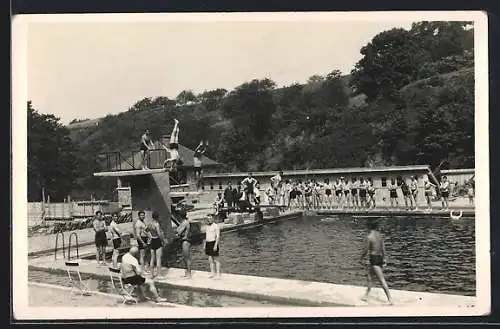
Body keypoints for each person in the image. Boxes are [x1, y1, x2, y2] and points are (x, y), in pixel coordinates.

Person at [360, 218, 393, 305]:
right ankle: (366, 295)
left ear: (369, 227)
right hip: (380, 258)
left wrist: (361, 258)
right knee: (370, 277)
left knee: (381, 280)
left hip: (374, 259)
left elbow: (365, 250)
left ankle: (390, 299)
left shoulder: (369, 237)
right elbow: (383, 248)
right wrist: (385, 259)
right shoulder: (380, 235)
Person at [147, 211, 166, 278]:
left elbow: (145, 230)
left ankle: (151, 274)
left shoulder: (150, 224)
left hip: (152, 240)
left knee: (152, 258)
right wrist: (163, 240)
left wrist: (150, 236)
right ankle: (159, 275)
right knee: (158, 259)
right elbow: (159, 233)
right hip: (157, 240)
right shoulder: (156, 224)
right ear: (157, 217)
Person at [204, 215, 221, 279]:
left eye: (211, 218)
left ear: (213, 219)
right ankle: (212, 273)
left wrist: (215, 245)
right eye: (208, 219)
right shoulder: (207, 226)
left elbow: (218, 236)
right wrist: (204, 245)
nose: (209, 220)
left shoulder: (215, 226)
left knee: (216, 260)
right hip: (208, 243)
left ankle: (218, 274)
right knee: (210, 260)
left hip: (213, 242)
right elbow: (206, 236)